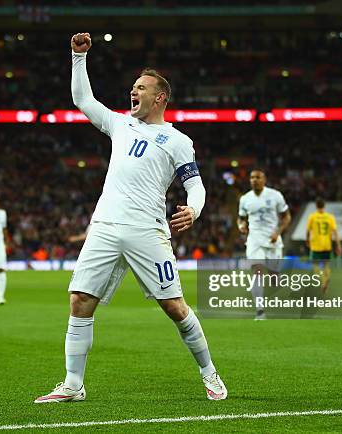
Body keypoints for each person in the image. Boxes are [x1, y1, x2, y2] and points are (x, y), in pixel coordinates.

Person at [34, 32, 226, 403]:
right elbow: (82, 99)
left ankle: (209, 372)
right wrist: (78, 57)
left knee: (174, 307)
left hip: (147, 231)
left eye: (141, 88)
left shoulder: (177, 140)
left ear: (160, 97)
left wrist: (194, 209)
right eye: (132, 87)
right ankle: (74, 384)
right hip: (105, 226)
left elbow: (196, 186)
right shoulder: (120, 124)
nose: (132, 92)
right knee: (79, 300)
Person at [237, 169, 291, 320]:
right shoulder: (245, 199)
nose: (254, 180)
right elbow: (240, 218)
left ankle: (276, 278)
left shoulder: (275, 196)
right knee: (257, 271)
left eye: (258, 177)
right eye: (252, 177)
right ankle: (260, 311)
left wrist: (278, 232)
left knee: (274, 279)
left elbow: (287, 217)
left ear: (264, 179)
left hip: (273, 240)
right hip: (254, 240)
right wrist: (241, 226)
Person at [306, 198, 342, 294]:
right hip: (327, 245)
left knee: (315, 265)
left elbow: (308, 230)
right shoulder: (330, 217)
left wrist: (307, 240)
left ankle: (323, 280)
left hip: (316, 245)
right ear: (324, 206)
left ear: (316, 205)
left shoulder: (312, 217)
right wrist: (338, 245)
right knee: (326, 265)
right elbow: (335, 232)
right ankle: (327, 278)